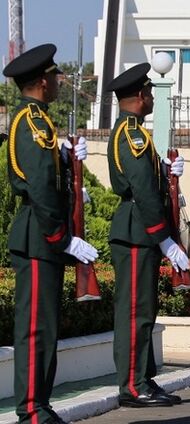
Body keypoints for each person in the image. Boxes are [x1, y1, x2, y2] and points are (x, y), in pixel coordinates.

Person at [4, 43, 99, 424]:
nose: (60, 81)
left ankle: (40, 403)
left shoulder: (40, 121)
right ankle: (31, 408)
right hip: (39, 235)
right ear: (42, 81)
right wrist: (62, 237)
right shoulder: (32, 122)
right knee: (35, 328)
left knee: (47, 327)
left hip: (44, 234)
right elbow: (38, 185)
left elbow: (48, 177)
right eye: (56, 76)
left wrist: (67, 167)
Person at [107, 63, 190, 406]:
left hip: (140, 229)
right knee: (135, 312)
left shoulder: (133, 132)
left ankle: (144, 377)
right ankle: (132, 385)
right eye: (150, 92)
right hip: (137, 229)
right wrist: (165, 238)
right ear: (141, 96)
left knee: (145, 310)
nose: (153, 97)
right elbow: (141, 189)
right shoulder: (133, 135)